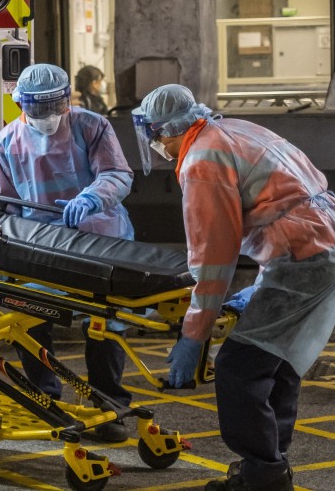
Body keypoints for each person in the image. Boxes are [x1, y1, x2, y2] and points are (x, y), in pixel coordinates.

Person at [133, 84, 335, 491]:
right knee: (278, 364)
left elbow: (213, 256)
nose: (157, 147)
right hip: (320, 247)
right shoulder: (235, 129)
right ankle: (269, 467)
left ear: (167, 130)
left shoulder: (201, 160)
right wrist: (262, 283)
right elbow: (287, 202)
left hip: (302, 259)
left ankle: (264, 475)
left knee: (238, 369)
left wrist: (194, 334)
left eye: (156, 137)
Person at [0, 63, 135, 442]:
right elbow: (2, 206)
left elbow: (117, 174)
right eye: (37, 108)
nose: (47, 116)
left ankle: (107, 406)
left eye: (54, 107)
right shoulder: (6, 142)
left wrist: (91, 198)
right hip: (40, 243)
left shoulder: (91, 126)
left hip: (98, 238)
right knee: (30, 317)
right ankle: (45, 400)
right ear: (20, 104)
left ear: (68, 100)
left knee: (103, 323)